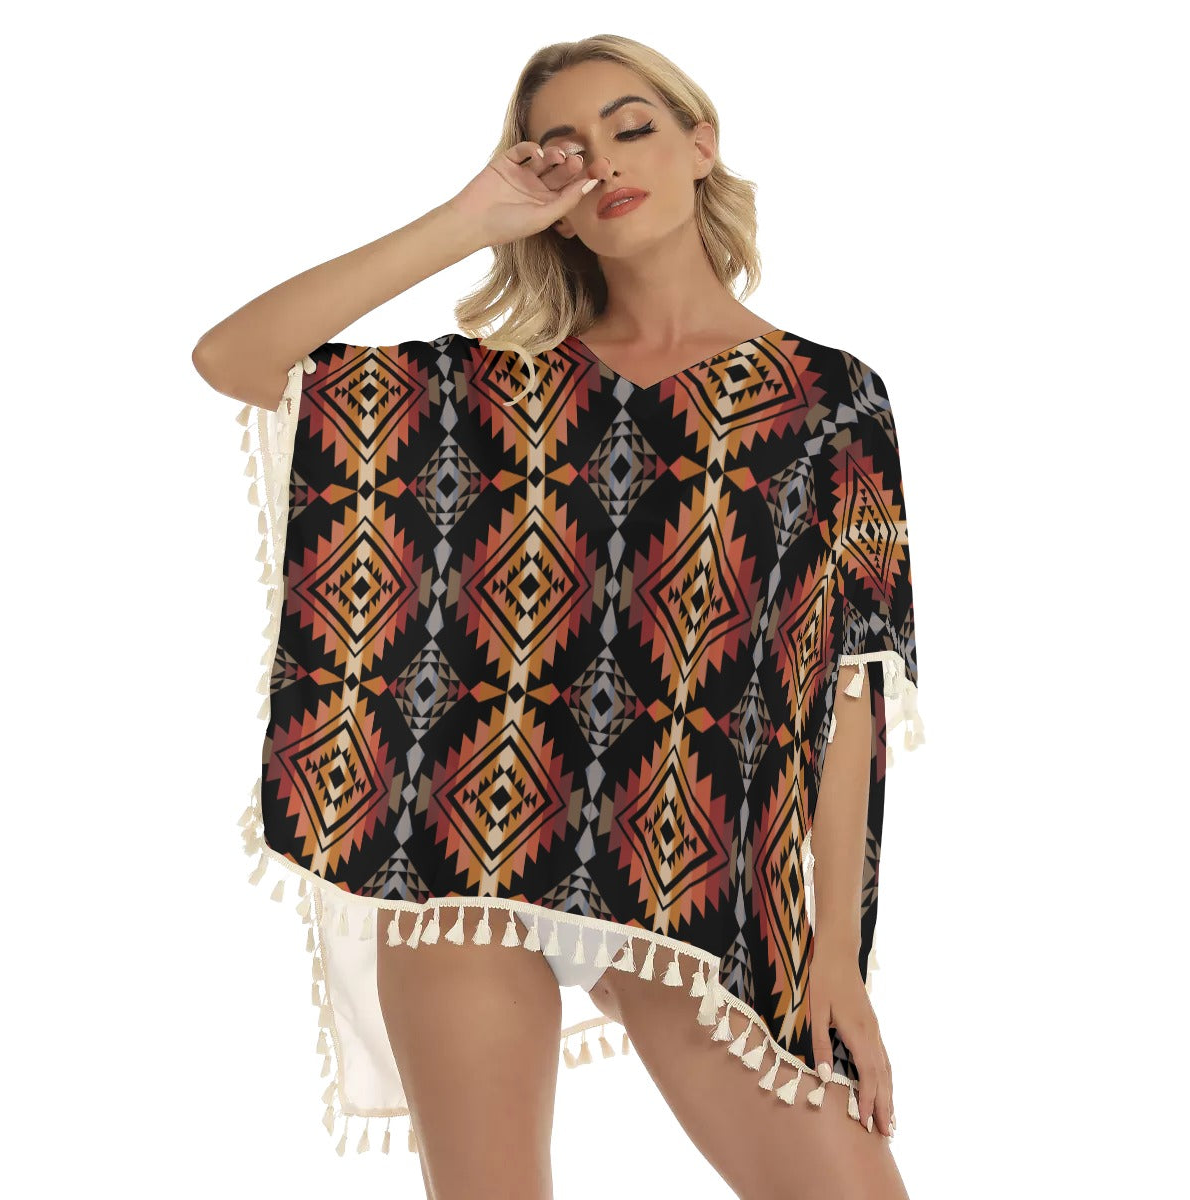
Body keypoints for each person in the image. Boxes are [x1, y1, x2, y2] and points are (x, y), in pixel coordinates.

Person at [194, 32, 922, 1200]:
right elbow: (236, 357)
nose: (606, 163)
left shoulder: (829, 399)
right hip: (464, 845)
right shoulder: (483, 387)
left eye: (632, 128)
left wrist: (835, 954)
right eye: (565, 152)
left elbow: (851, 688)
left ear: (700, 144)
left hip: (691, 861)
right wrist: (471, 218)